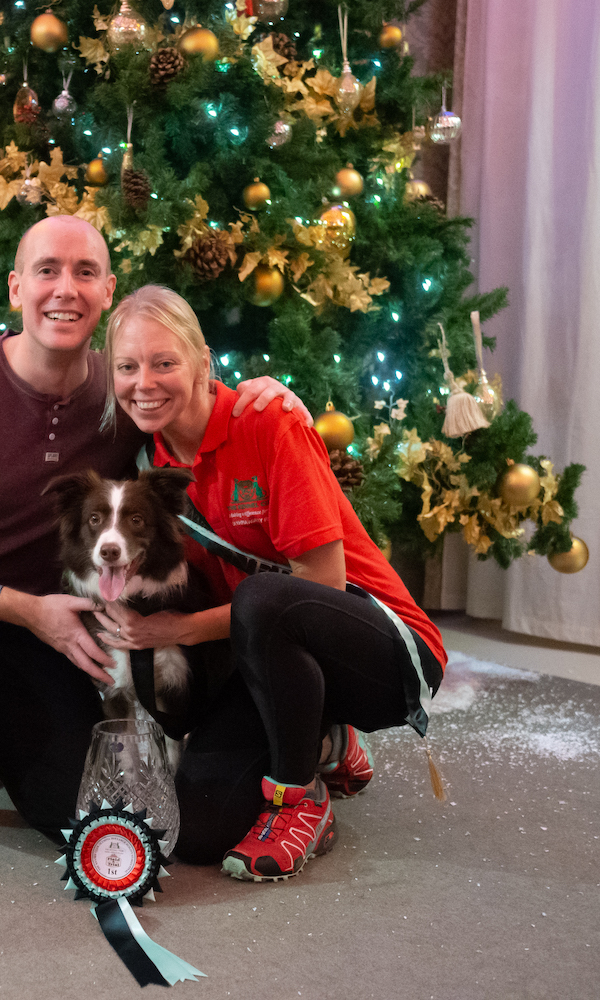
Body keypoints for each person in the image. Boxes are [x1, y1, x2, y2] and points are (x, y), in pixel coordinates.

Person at [0, 215, 309, 862]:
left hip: (35, 633)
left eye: (85, 273)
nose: (66, 288)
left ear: (108, 291)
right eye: (47, 271)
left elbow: (190, 396)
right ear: (14, 288)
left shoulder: (122, 394)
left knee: (79, 808)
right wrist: (21, 607)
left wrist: (267, 394)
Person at [95, 284, 446, 881]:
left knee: (261, 601)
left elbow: (325, 581)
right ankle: (328, 741)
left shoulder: (268, 420)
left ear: (204, 363)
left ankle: (300, 795)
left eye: (164, 363)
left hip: (382, 649)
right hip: (270, 655)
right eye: (126, 367)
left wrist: (177, 628)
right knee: (199, 829)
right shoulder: (149, 465)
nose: (143, 383)